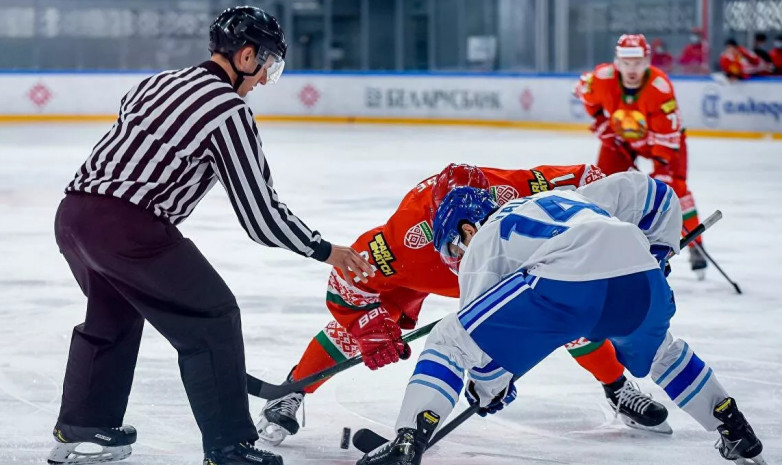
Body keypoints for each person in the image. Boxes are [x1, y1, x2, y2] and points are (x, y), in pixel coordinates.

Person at [47, 6, 373, 465]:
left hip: (74, 216)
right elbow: (259, 214)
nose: (263, 81)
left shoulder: (157, 81)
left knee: (113, 313)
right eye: (267, 67)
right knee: (213, 317)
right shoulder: (228, 111)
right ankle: (229, 446)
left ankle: (85, 423)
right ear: (245, 56)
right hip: (128, 227)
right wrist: (324, 250)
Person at [357, 171, 766, 465]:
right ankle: (732, 425)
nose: (456, 259)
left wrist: (489, 390)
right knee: (663, 352)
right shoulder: (572, 197)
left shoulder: (481, 244)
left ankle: (408, 438)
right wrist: (657, 253)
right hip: (639, 279)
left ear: (465, 229)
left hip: (566, 285)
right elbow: (655, 193)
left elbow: (481, 352)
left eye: (452, 247)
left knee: (449, 338)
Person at [256, 163, 671, 446]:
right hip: (421, 275)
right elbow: (344, 282)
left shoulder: (521, 189)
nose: (464, 255)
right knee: (365, 329)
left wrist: (638, 244)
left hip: (515, 257)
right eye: (455, 246)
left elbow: (597, 180)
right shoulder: (403, 242)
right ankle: (292, 390)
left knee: (570, 308)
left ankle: (617, 387)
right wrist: (369, 323)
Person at [574, 33, 708, 276]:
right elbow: (584, 93)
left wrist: (660, 169)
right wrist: (602, 123)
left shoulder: (660, 87)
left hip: (664, 142)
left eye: (637, 62)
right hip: (621, 139)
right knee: (601, 184)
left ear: (647, 61)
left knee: (674, 188)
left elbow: (666, 139)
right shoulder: (603, 78)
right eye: (626, 63)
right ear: (617, 62)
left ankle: (695, 244)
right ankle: (602, 242)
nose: (631, 69)